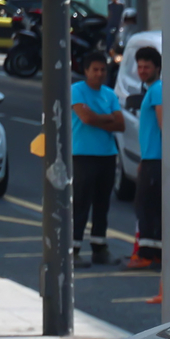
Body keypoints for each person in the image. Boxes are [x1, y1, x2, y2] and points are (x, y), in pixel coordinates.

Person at [70, 50, 125, 262]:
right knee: (81, 203)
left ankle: (99, 248)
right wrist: (107, 118)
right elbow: (86, 118)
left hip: (107, 155)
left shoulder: (110, 94)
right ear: (86, 71)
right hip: (83, 154)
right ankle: (73, 249)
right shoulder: (77, 91)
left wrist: (101, 118)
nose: (99, 74)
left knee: (102, 204)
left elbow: (120, 124)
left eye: (103, 70)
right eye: (95, 70)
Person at [122, 43, 165, 270]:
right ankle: (155, 253)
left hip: (156, 160)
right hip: (150, 158)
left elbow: (163, 123)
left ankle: (147, 254)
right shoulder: (152, 90)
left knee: (146, 206)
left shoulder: (157, 90)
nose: (142, 71)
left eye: (147, 67)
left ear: (157, 68)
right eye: (139, 67)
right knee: (152, 206)